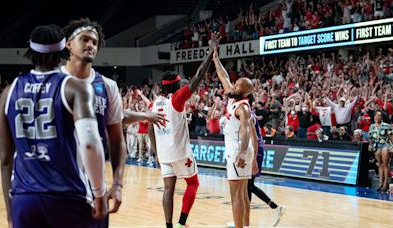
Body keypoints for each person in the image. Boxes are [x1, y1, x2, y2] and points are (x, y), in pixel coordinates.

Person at [0, 24, 108, 227]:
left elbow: (5, 161)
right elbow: (90, 144)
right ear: (63, 50)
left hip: (24, 199)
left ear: (30, 52)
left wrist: (10, 210)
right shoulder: (74, 87)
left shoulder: (9, 91)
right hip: (67, 196)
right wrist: (100, 192)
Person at [62, 18, 165, 221]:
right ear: (68, 44)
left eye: (94, 42)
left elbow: (117, 126)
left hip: (94, 185)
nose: (90, 45)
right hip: (59, 182)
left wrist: (117, 184)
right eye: (84, 39)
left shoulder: (107, 86)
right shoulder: (54, 82)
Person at [149, 34, 221, 228]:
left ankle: (169, 226)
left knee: (168, 190)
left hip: (164, 154)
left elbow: (149, 130)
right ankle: (181, 223)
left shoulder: (155, 103)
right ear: (175, 86)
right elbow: (198, 76)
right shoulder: (177, 99)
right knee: (193, 184)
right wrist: (211, 50)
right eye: (179, 82)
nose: (182, 84)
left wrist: (156, 153)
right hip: (180, 152)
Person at [213, 47, 258, 228]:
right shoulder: (234, 98)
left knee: (235, 196)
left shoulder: (243, 108)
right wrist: (216, 58)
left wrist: (240, 153)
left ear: (245, 92)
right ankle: (245, 226)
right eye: (236, 83)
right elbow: (224, 76)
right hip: (243, 150)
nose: (234, 86)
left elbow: (246, 131)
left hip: (238, 150)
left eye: (238, 86)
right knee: (243, 194)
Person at [368, 111, 393, 191]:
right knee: (380, 164)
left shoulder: (386, 126)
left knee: (385, 164)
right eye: (376, 115)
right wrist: (370, 145)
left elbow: (391, 136)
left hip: (386, 144)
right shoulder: (372, 126)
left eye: (379, 115)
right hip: (377, 145)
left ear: (382, 117)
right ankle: (380, 183)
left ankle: (385, 183)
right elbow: (371, 137)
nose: (377, 116)